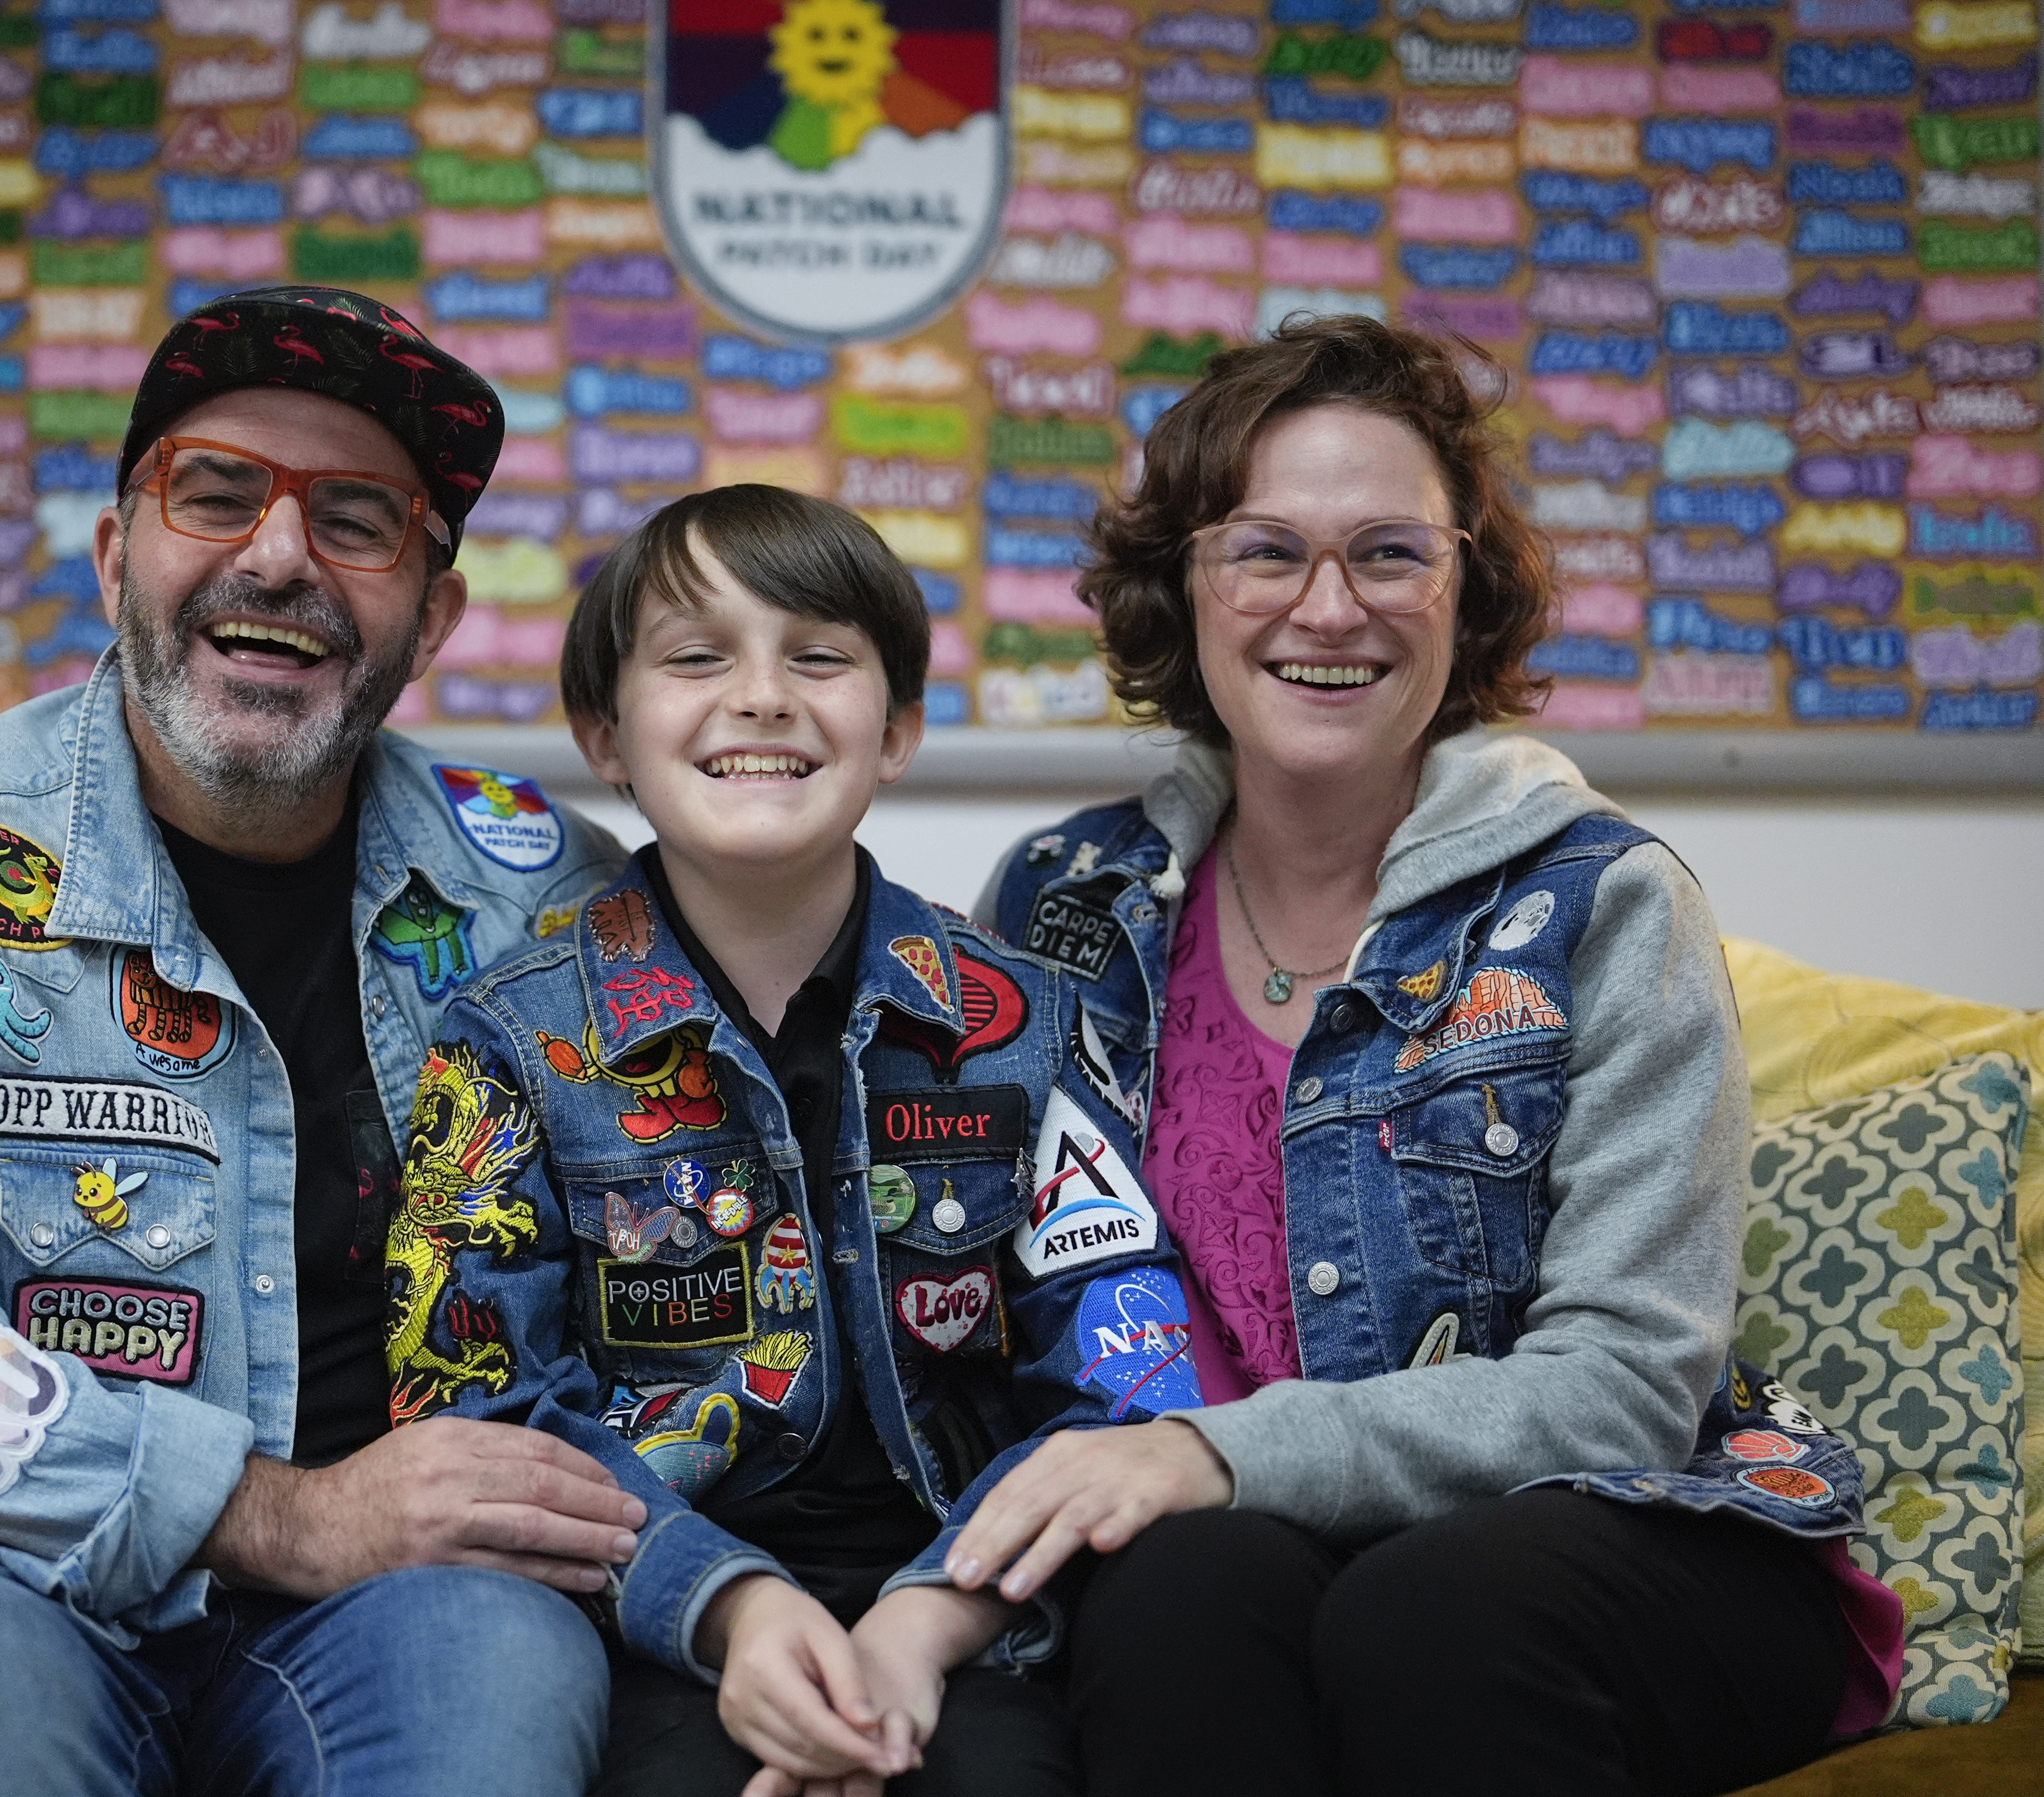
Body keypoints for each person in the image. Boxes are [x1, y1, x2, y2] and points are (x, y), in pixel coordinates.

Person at [0, 286, 637, 1797]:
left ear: (437, 615)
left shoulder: (547, 895)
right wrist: (281, 1511)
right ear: (113, 554)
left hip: (387, 1609)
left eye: (356, 520)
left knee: (501, 1678)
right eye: (214, 496)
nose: (277, 556)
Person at [970, 315, 1902, 1797]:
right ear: (1183, 589)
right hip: (1230, 1545)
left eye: (1389, 553)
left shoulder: (1602, 902)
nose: (1325, 607)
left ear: (1462, 595)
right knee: (1169, 1598)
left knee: (1421, 1612)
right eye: (1264, 549)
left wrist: (1224, 1453)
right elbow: (975, 1317)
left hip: (1604, 1533)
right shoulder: (1061, 908)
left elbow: (1621, 1383)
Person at [382, 486, 1206, 1797]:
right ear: (604, 733)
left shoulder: (1029, 1024)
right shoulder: (505, 1041)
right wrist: (728, 1608)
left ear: (898, 730)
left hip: (968, 1607)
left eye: (817, 657)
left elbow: (1123, 1374)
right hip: (652, 1621)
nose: (762, 696)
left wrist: (926, 1621)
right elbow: (478, 1406)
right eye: (696, 656)